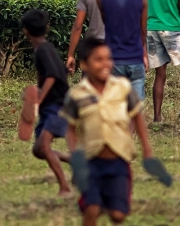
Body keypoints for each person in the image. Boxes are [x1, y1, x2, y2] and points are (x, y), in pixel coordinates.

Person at [60, 37, 156, 225]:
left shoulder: (122, 88)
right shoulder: (77, 94)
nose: (106, 64)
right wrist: (74, 153)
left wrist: (147, 150)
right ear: (84, 65)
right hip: (91, 162)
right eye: (98, 59)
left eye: (108, 58)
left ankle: (105, 200)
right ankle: (94, 200)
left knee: (118, 215)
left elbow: (137, 115)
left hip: (119, 160)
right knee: (91, 210)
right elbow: (69, 126)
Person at [23, 9, 73, 197]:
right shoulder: (45, 48)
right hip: (51, 106)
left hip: (57, 105)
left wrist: (39, 97)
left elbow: (52, 75)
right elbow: (58, 71)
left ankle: (65, 188)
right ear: (47, 28)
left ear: (25, 31)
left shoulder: (42, 50)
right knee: (38, 150)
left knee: (44, 146)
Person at [96, 0, 148, 100]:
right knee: (135, 108)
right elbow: (143, 31)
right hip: (135, 57)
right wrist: (143, 53)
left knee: (114, 104)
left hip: (113, 59)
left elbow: (108, 23)